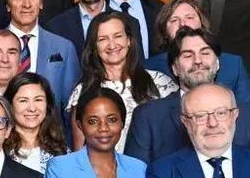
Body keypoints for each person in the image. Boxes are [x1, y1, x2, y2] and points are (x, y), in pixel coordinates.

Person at [126, 27, 250, 165]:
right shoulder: (148, 116)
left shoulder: (248, 116)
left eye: (205, 53)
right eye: (188, 55)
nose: (198, 61)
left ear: (217, 63)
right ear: (174, 68)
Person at [66, 11, 177, 151]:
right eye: (102, 39)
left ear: (129, 40)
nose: (112, 45)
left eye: (118, 36)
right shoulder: (83, 91)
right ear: (94, 47)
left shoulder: (160, 83)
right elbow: (80, 152)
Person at [142, 0, 250, 105]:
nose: (183, 24)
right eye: (174, 20)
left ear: (202, 23)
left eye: (190, 17)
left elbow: (248, 112)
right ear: (164, 31)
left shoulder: (233, 64)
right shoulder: (149, 67)